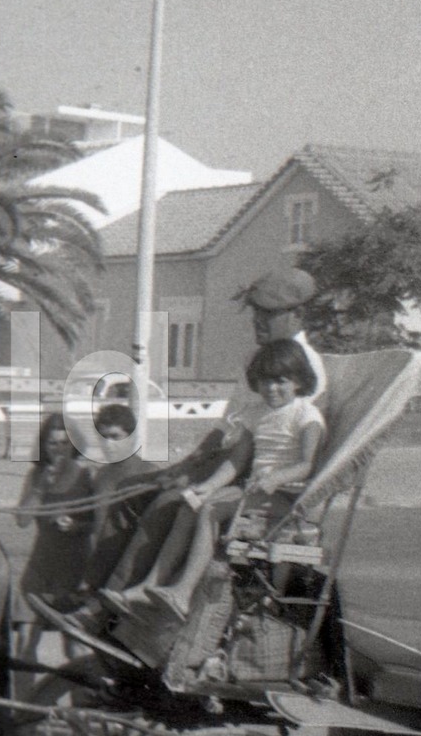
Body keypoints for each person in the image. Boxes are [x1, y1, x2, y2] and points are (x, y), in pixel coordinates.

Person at [86, 265, 327, 594]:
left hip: (252, 476)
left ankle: (112, 604)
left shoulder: (302, 366)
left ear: (297, 315)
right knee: (128, 486)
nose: (257, 321)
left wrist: (203, 475)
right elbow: (227, 422)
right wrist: (192, 459)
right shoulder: (259, 359)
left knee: (166, 503)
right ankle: (94, 586)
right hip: (225, 458)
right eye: (255, 312)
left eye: (268, 314)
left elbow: (270, 442)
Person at [101, 337, 326, 622]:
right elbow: (236, 460)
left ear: (299, 380)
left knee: (210, 510)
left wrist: (278, 477)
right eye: (265, 381)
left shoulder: (306, 414)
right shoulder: (256, 414)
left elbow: (307, 464)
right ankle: (150, 584)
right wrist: (207, 486)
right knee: (190, 504)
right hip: (255, 493)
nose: (272, 389)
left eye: (281, 381)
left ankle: (182, 592)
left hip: (285, 498)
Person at [16, 413, 94, 610]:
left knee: (67, 623)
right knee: (25, 616)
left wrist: (78, 526)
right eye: (52, 444)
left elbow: (100, 523)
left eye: (64, 444)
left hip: (75, 560)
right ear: (43, 446)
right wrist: (39, 488)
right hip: (42, 559)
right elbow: (22, 520)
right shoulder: (36, 476)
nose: (59, 450)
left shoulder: (87, 476)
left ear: (74, 445)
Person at [83, 403, 157, 591]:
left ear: (131, 438)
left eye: (115, 437)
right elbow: (97, 522)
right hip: (98, 571)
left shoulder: (149, 474)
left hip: (130, 576)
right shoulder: (101, 475)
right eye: (103, 437)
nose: (108, 444)